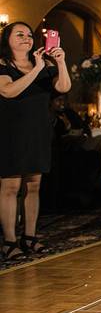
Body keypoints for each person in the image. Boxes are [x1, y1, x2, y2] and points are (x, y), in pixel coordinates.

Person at [0, 21, 71, 260]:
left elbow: (63, 86)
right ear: (7, 40)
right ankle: (9, 241)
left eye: (29, 35)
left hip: (38, 132)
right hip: (10, 133)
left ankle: (29, 237)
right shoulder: (2, 66)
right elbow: (8, 91)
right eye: (19, 34)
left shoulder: (45, 66)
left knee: (34, 186)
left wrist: (59, 62)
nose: (26, 38)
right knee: (10, 187)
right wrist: (35, 69)